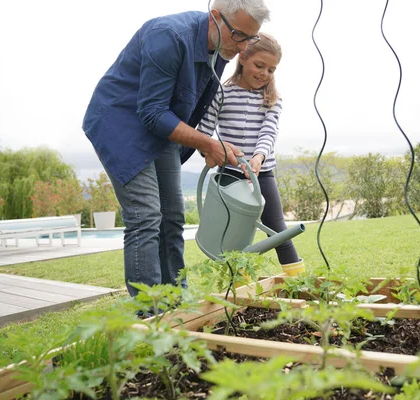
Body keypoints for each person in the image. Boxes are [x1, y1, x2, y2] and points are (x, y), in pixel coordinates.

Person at [82, 0, 271, 298]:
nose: (245, 48)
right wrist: (208, 143)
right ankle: (149, 312)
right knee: (145, 216)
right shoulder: (168, 36)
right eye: (240, 36)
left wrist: (209, 145)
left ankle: (176, 300)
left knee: (172, 216)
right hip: (120, 122)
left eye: (251, 38)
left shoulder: (223, 47)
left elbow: (195, 105)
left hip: (163, 125)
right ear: (214, 18)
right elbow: (152, 113)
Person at [197, 33, 305, 277]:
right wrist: (207, 149)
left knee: (277, 230)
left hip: (261, 174)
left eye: (271, 69)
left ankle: (299, 283)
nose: (264, 73)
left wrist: (258, 158)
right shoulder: (221, 93)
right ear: (243, 57)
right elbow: (204, 130)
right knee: (233, 235)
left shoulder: (272, 99)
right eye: (259, 65)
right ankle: (239, 289)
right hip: (229, 177)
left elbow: (269, 132)